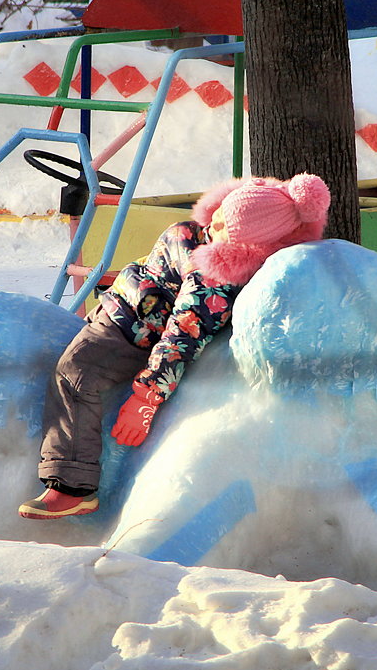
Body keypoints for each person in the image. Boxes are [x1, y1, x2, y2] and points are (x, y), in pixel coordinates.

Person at [18, 173, 332, 519]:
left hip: (134, 334)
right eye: (220, 213)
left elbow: (181, 337)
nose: (214, 223)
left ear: (247, 245)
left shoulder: (213, 282)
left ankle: (71, 486)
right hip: (122, 307)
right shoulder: (199, 235)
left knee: (76, 375)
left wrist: (145, 398)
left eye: (226, 227)